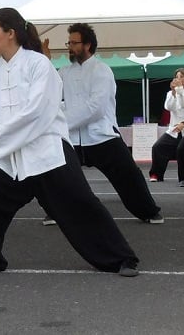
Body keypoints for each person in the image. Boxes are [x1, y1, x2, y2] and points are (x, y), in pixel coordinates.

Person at [0, 7, 139, 277]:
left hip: (46, 149)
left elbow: (37, 112)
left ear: (10, 33)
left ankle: (121, 258)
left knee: (79, 202)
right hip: (9, 154)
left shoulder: (38, 64)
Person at [57, 23, 163, 223]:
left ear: (87, 45)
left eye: (74, 42)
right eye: (68, 42)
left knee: (128, 174)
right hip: (72, 139)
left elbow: (95, 108)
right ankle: (54, 210)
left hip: (101, 135)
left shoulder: (102, 71)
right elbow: (52, 98)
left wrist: (63, 122)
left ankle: (148, 211)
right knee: (53, 173)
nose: (69, 47)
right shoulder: (63, 72)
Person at [148, 68, 184, 182]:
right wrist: (173, 93)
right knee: (158, 147)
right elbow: (168, 107)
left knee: (183, 152)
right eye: (177, 77)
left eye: (182, 77)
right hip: (174, 129)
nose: (179, 79)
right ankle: (156, 174)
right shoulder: (170, 93)